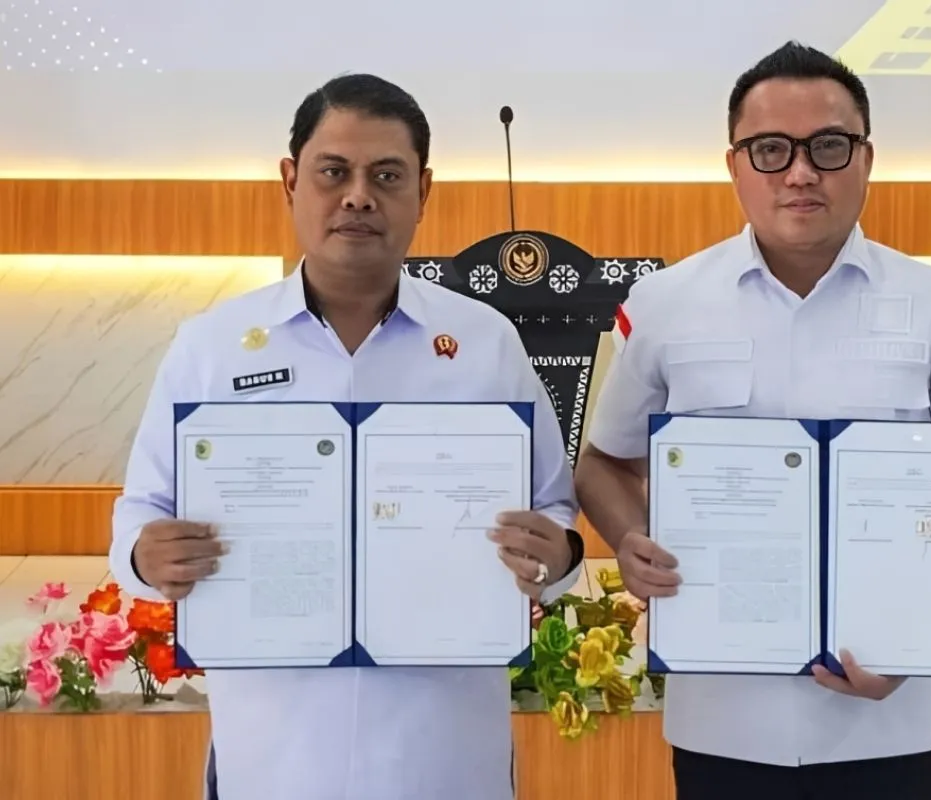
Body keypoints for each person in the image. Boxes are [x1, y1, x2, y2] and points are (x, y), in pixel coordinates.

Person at [109, 74, 585, 800]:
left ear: (423, 190)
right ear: (290, 180)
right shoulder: (213, 346)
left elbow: (554, 506)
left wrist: (557, 553)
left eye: (386, 176)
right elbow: (141, 510)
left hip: (444, 747)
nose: (358, 196)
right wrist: (146, 555)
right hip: (273, 748)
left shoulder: (485, 344)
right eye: (334, 172)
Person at [574, 42, 931, 800]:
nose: (801, 172)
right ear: (735, 165)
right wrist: (630, 539)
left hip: (889, 716)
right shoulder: (666, 303)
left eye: (829, 146)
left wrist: (915, 640)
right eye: (771, 150)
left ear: (866, 158)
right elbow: (604, 463)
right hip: (724, 718)